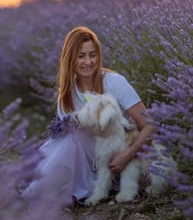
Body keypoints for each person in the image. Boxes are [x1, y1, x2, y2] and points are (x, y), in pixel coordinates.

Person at [26, 26, 156, 205]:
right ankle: (48, 192)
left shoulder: (113, 82)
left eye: (92, 55)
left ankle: (51, 191)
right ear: (70, 59)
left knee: (71, 139)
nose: (88, 61)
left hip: (116, 152)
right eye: (81, 56)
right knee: (67, 139)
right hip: (87, 161)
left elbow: (150, 125)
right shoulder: (67, 93)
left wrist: (127, 155)